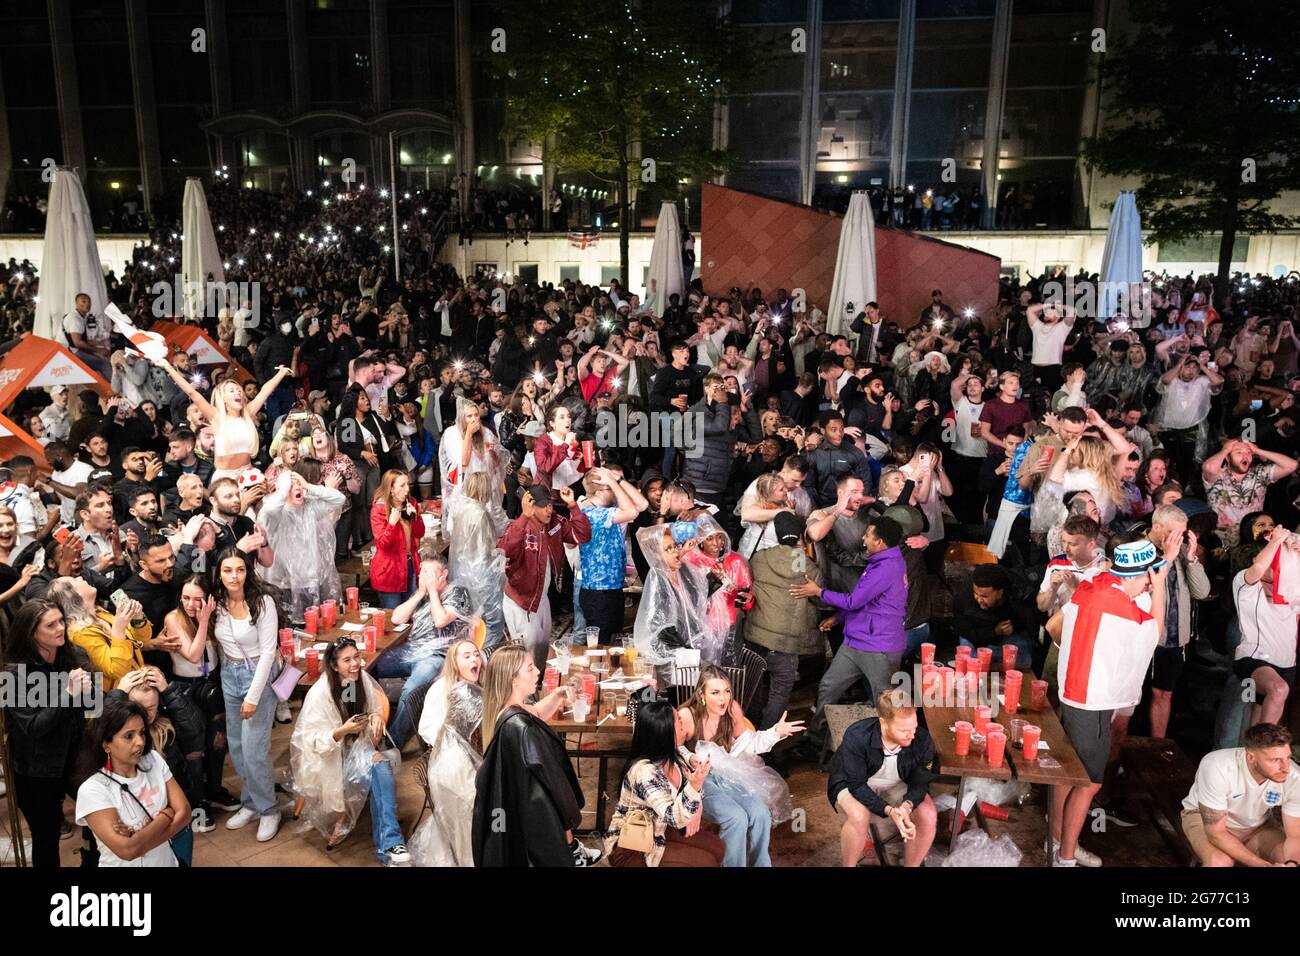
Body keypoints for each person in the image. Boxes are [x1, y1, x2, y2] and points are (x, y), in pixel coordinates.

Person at [1046, 538, 1172, 867]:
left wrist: (1162, 565)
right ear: (1132, 576)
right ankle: (1065, 857)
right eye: (1146, 577)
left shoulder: (1098, 583)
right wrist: (1160, 588)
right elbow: (1155, 632)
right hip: (1090, 699)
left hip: (1079, 693)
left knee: (1070, 776)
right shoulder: (1116, 602)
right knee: (1088, 782)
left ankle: (1058, 841)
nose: (1148, 582)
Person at [472, 644, 595, 867]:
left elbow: (536, 712)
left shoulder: (506, 711)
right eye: (530, 668)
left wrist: (557, 694)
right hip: (536, 822)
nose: (537, 671)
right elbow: (550, 790)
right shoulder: (522, 729)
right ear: (513, 680)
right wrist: (569, 840)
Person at [290, 638, 409, 864]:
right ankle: (389, 841)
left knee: (380, 768)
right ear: (334, 666)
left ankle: (391, 843)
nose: (355, 663)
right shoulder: (320, 694)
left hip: (357, 749)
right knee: (380, 772)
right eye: (347, 660)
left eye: (356, 657)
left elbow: (370, 709)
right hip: (328, 759)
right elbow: (311, 741)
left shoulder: (358, 681)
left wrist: (374, 719)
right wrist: (341, 731)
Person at [796, 515, 908, 749]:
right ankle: (818, 738)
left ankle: (890, 749)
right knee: (829, 686)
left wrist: (819, 592)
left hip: (879, 646)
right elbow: (868, 602)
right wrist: (839, 618)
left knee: (884, 701)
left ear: (880, 542)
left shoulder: (886, 568)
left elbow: (855, 601)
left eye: (867, 534)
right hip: (856, 641)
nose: (862, 537)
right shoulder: (880, 562)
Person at [1, 600, 98, 867]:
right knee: (46, 838)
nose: (60, 628)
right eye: (51, 625)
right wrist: (68, 694)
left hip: (76, 755)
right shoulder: (12, 675)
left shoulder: (76, 655)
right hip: (36, 768)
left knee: (103, 817)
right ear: (32, 632)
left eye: (61, 621)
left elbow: (92, 706)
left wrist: (89, 691)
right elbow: (33, 727)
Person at [684, 665, 802, 867]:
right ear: (701, 695)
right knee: (736, 817)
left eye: (727, 691)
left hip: (728, 774)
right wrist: (690, 757)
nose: (723, 699)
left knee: (760, 814)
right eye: (715, 692)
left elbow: (750, 745)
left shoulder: (732, 710)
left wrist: (776, 732)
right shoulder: (688, 716)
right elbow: (670, 750)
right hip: (697, 779)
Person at [209, 548, 282, 842]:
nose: (234, 576)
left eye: (240, 569)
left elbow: (267, 653)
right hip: (229, 673)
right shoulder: (216, 603)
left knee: (255, 750)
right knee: (237, 747)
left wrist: (253, 696)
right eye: (228, 570)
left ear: (248, 571)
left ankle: (269, 809)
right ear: (219, 573)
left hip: (257, 677)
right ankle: (250, 802)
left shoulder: (263, 602)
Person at [604, 700, 723, 867]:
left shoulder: (672, 752)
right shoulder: (645, 773)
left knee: (718, 848)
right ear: (665, 733)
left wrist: (692, 760)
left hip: (661, 827)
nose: (682, 720)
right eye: (678, 720)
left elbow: (681, 750)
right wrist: (695, 787)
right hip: (633, 844)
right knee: (707, 862)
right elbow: (675, 817)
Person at [74, 698, 190, 868]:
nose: (140, 742)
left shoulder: (153, 760)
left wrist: (138, 840)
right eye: (129, 736)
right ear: (106, 744)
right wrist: (166, 815)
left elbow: (185, 813)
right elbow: (127, 851)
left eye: (142, 732)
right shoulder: (92, 790)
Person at [828, 689, 938, 868]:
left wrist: (906, 806)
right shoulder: (857, 736)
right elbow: (856, 784)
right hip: (853, 781)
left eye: (914, 727)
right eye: (903, 730)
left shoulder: (922, 739)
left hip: (896, 781)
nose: (911, 735)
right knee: (858, 815)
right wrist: (888, 810)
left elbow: (921, 780)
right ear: (883, 723)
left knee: (927, 814)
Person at [378, 550, 474, 749]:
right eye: (422, 573)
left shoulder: (458, 592)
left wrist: (431, 591)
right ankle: (365, 722)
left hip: (439, 656)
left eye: (429, 573)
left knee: (411, 690)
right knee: (368, 666)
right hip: (411, 650)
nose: (424, 578)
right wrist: (421, 592)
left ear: (444, 574)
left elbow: (440, 621)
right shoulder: (422, 594)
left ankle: (392, 742)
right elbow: (397, 618)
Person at [111, 666, 210, 858]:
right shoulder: (116, 737)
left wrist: (169, 691)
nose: (146, 715)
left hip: (175, 819)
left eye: (152, 708)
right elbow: (97, 732)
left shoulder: (166, 727)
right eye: (139, 708)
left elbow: (195, 729)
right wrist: (118, 695)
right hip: (136, 822)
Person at [150, 352, 293, 484]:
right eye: (232, 391)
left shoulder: (248, 414)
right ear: (222, 399)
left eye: (239, 390)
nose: (237, 393)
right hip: (226, 477)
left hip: (248, 473)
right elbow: (191, 392)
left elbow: (265, 391)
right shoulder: (216, 416)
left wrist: (281, 373)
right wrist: (168, 367)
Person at [746, 511, 826, 729]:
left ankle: (750, 730)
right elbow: (820, 597)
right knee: (779, 690)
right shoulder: (803, 563)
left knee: (754, 685)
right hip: (785, 644)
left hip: (755, 637)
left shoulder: (760, 557)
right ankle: (767, 738)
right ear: (799, 535)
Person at [1180, 723, 1300, 868]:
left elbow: (1295, 835)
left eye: (1288, 758)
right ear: (1250, 757)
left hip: (1258, 825)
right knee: (1220, 862)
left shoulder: (1295, 778)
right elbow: (1216, 834)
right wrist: (1261, 865)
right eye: (1275, 760)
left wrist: (1292, 863)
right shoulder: (1217, 766)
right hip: (1203, 819)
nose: (1285, 768)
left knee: (1285, 857)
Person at [499, 484, 592, 669]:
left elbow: (583, 535)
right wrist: (524, 516)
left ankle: (540, 688)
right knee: (526, 658)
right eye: (543, 505)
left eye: (549, 504)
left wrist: (573, 505)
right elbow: (505, 550)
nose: (549, 509)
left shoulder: (555, 523)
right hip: (521, 602)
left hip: (541, 598)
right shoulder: (517, 527)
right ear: (530, 506)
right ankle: (527, 695)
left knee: (542, 650)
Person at [410, 640, 484, 867]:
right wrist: (454, 744)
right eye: (466, 656)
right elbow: (427, 729)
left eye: (476, 655)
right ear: (454, 662)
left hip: (476, 758)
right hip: (450, 763)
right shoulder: (440, 689)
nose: (474, 660)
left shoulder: (481, 687)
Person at [1231, 525, 1300, 729]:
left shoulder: (1291, 588)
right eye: (1278, 562)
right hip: (1252, 661)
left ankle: (1253, 754)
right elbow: (1259, 569)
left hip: (1287, 664)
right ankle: (1260, 747)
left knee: (1257, 714)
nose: (1283, 567)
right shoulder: (1245, 585)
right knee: (1270, 694)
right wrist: (1276, 541)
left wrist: (1295, 550)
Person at [258, 466, 347, 620]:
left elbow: (339, 499)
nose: (297, 487)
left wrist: (308, 486)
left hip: (309, 582)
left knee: (311, 629)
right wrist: (285, 487)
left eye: (298, 483)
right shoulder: (275, 515)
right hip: (283, 585)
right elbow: (269, 510)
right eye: (292, 485)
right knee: (289, 632)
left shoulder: (310, 508)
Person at [576, 467, 645, 643]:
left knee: (613, 641)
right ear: (600, 490)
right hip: (598, 593)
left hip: (612, 588)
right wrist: (614, 483)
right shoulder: (590, 513)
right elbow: (631, 512)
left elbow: (641, 505)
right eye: (610, 488)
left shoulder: (608, 509)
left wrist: (619, 480)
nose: (616, 492)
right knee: (600, 645)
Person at [47, 576, 150, 690]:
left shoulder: (99, 612)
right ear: (76, 594)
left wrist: (138, 619)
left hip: (138, 680)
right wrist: (118, 631)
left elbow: (142, 639)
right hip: (123, 695)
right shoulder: (80, 633)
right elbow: (116, 670)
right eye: (76, 580)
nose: (81, 577)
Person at [1203, 439, 1298, 548]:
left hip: (1253, 540)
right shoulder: (1218, 475)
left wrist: (1258, 451)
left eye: (1248, 452)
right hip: (1222, 542)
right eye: (1238, 452)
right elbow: (1209, 468)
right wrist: (1226, 449)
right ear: (1227, 457)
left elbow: (1292, 465)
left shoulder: (1260, 473)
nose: (1245, 456)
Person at [369, 470, 426, 609]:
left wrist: (415, 517)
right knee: (394, 619)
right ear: (391, 489)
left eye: (408, 484)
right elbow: (383, 545)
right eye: (402, 485)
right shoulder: (379, 510)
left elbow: (420, 532)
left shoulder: (411, 503)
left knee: (412, 613)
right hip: (389, 571)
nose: (407, 489)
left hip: (410, 565)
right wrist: (392, 524)